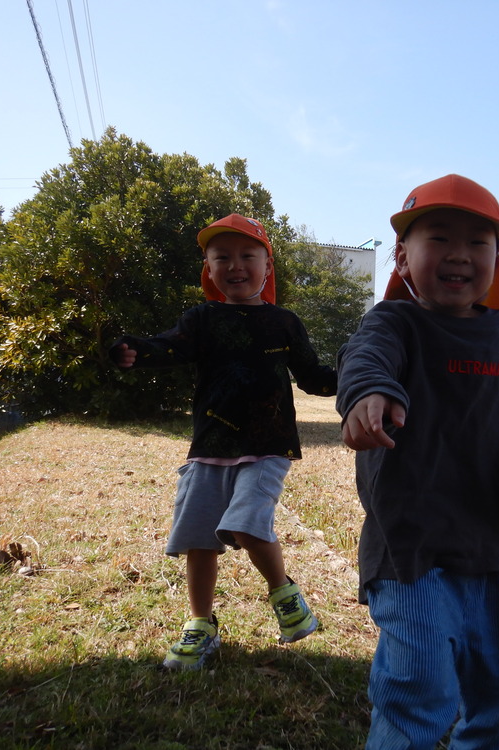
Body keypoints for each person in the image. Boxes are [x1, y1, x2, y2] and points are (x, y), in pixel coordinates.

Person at [336, 175, 499, 748]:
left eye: (477, 242)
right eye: (438, 238)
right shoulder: (394, 323)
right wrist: (368, 393)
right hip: (409, 548)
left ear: (497, 256)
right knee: (419, 689)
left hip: (494, 547)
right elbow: (365, 358)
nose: (459, 254)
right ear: (403, 255)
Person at [112, 213, 336, 670]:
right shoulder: (201, 319)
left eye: (247, 256)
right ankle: (200, 625)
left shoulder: (284, 322)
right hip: (210, 443)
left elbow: (314, 378)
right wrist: (133, 350)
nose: (236, 265)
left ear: (267, 266)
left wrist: (358, 374)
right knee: (199, 537)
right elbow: (168, 345)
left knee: (247, 523)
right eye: (222, 257)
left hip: (269, 442)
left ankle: (285, 597)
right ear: (209, 271)